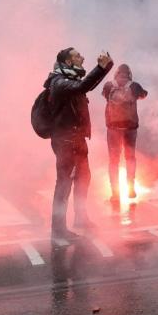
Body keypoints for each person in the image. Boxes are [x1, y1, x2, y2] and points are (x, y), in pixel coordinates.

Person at [44, 47, 113, 242]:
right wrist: (100, 68)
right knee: (64, 184)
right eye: (77, 56)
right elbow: (82, 87)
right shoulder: (59, 82)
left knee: (83, 179)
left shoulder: (70, 80)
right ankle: (58, 230)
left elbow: (84, 86)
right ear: (67, 62)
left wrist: (106, 67)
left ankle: (81, 219)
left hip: (77, 140)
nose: (82, 57)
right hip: (66, 141)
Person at [102, 64, 148, 203]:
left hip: (113, 128)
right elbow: (144, 95)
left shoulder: (109, 85)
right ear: (129, 73)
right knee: (130, 158)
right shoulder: (134, 86)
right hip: (130, 128)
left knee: (114, 161)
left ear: (116, 73)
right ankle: (131, 189)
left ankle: (115, 194)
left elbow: (105, 97)